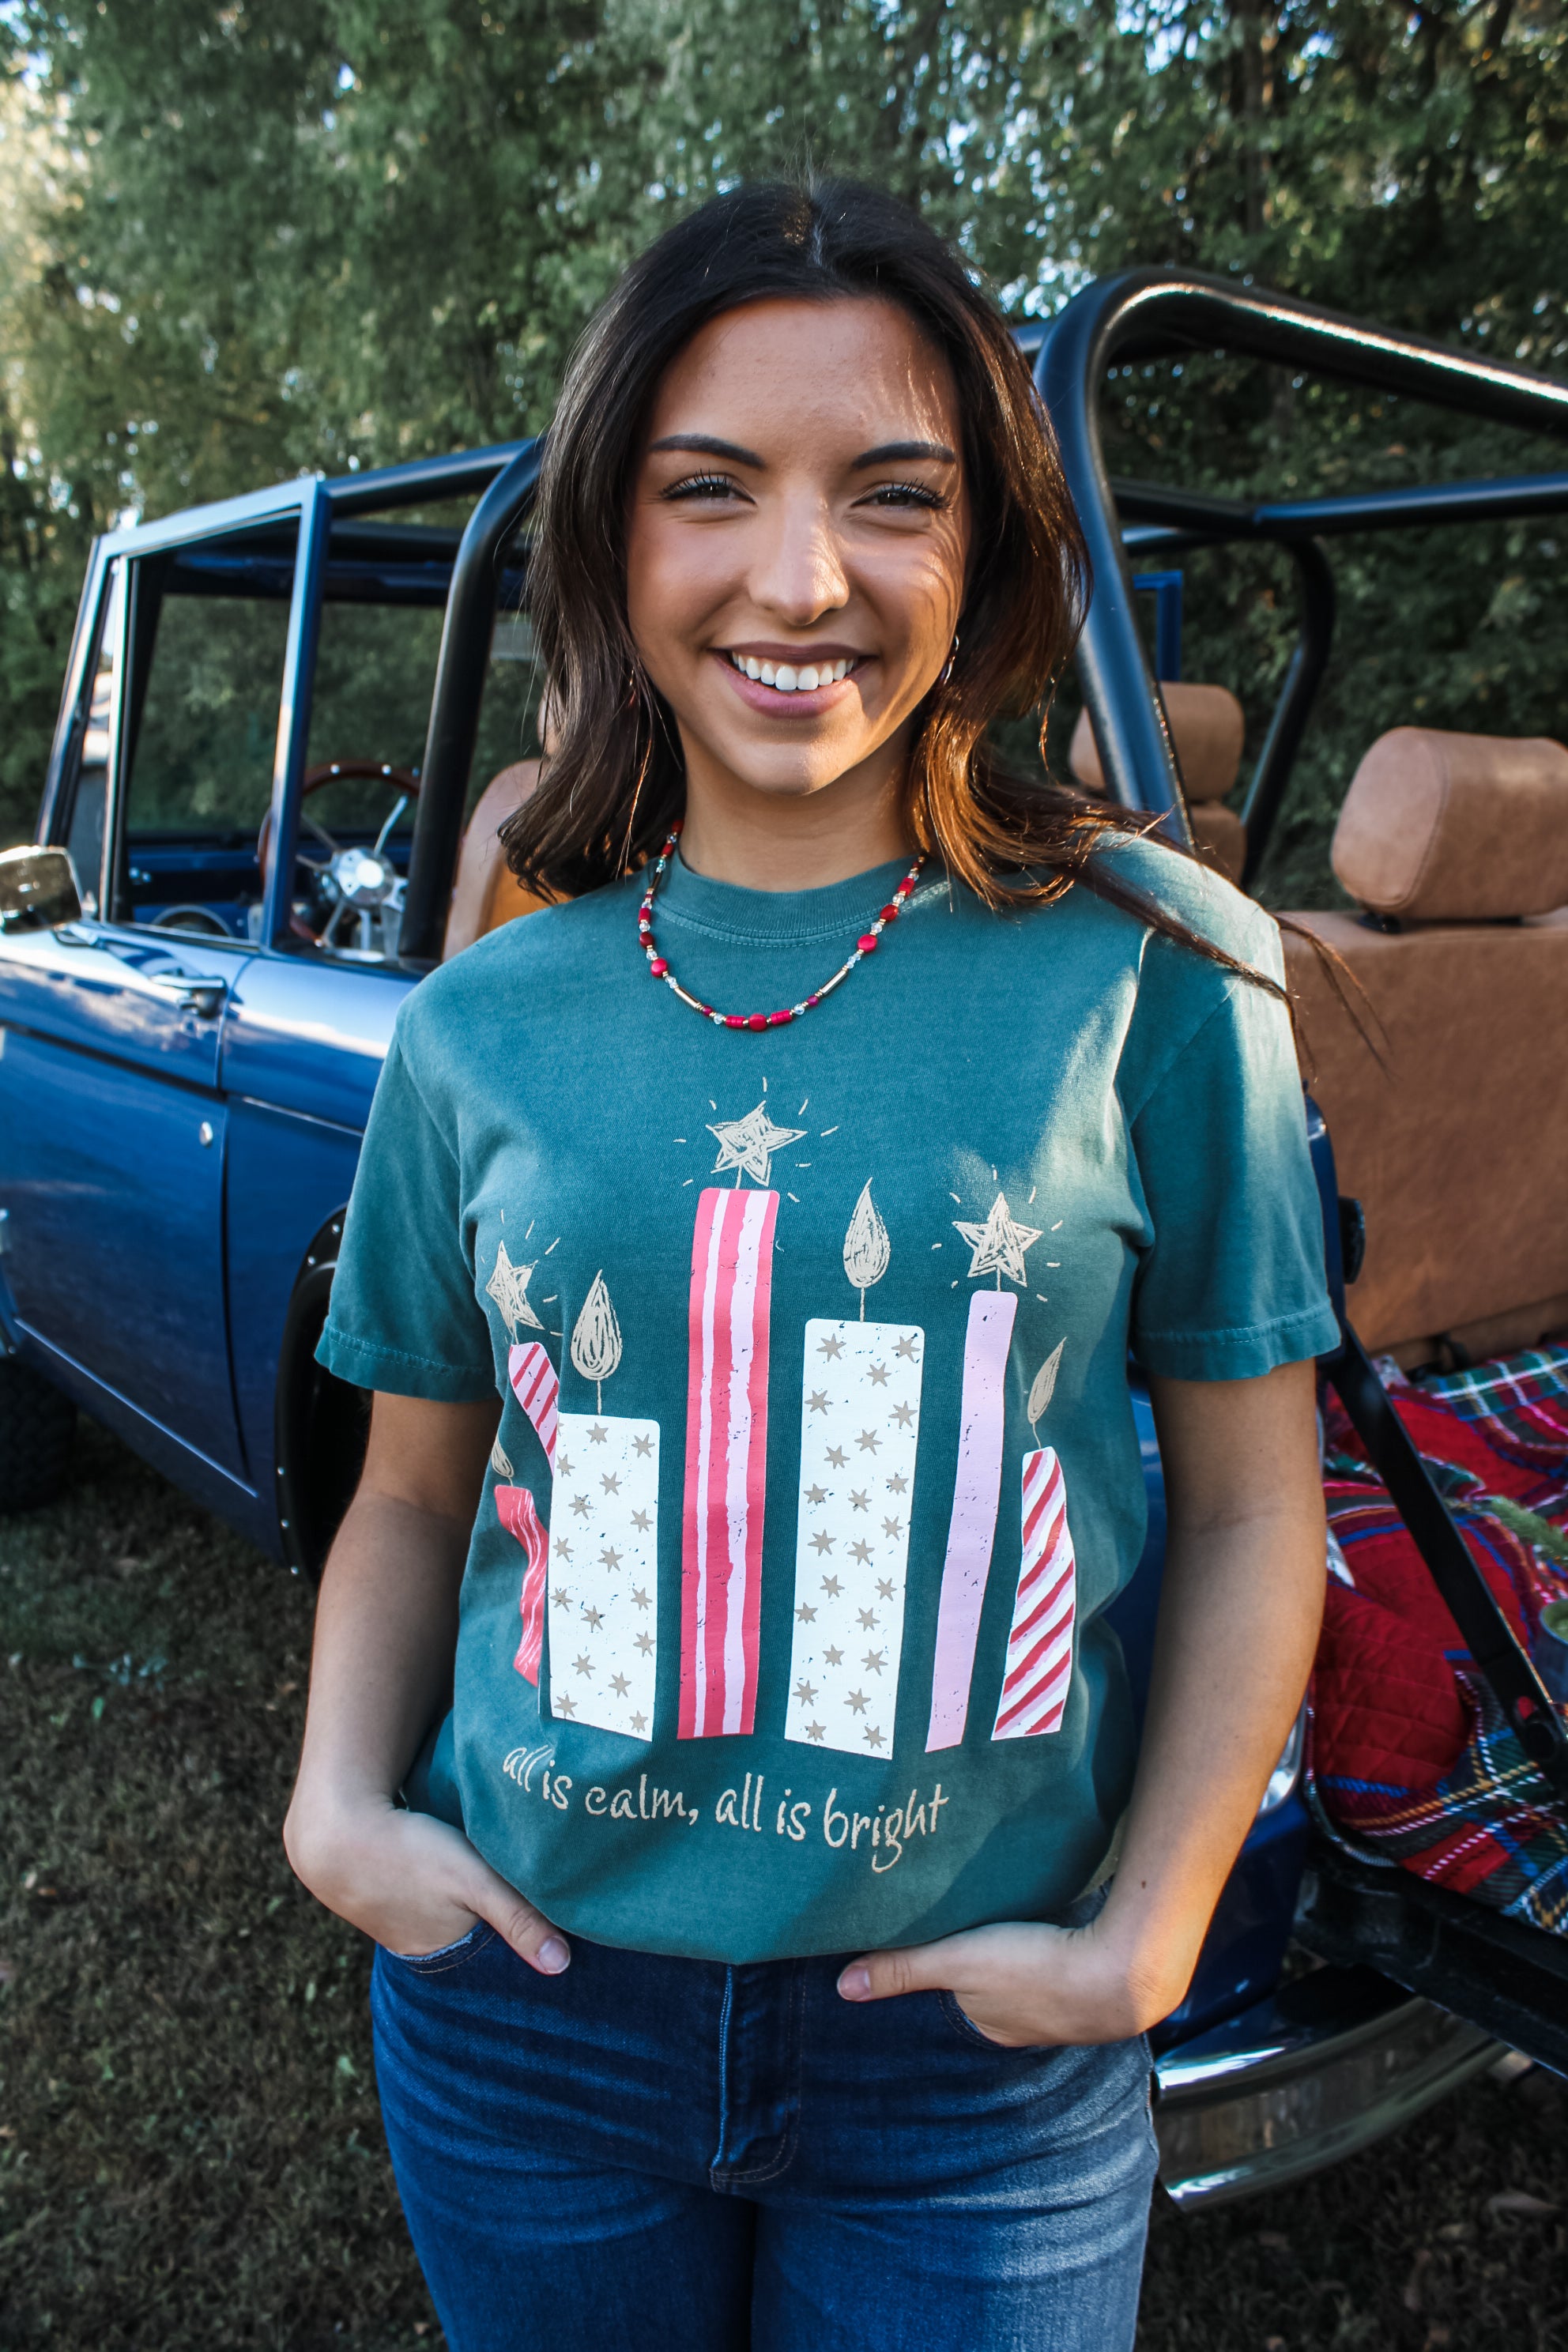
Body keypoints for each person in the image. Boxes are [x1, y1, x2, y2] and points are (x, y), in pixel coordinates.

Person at [285, 177, 1336, 2352]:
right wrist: (335, 1807)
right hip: (529, 2025)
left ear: (987, 552)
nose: (799, 576)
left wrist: (1151, 1934)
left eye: (891, 496)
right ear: (614, 543)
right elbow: (409, 1492)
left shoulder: (1165, 978)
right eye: (711, 490)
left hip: (973, 2075)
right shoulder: (479, 1025)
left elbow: (1256, 1508)